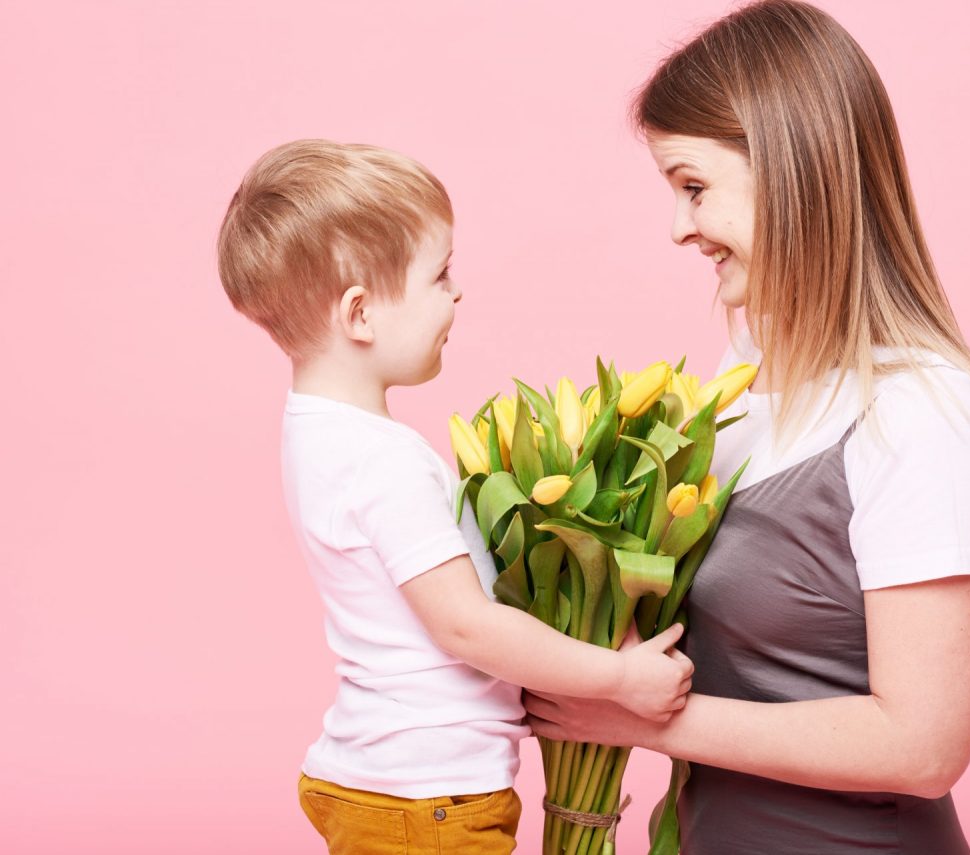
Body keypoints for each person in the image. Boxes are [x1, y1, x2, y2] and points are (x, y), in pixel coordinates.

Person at [524, 2, 970, 852]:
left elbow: (925, 746)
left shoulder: (923, 411)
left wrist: (638, 719)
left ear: (791, 170)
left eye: (695, 186)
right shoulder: (744, 380)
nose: (680, 228)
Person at [215, 139, 692, 855]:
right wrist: (618, 677)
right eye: (439, 275)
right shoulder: (381, 458)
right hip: (425, 799)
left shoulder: (318, 433)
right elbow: (466, 627)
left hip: (386, 782)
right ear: (360, 315)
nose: (457, 292)